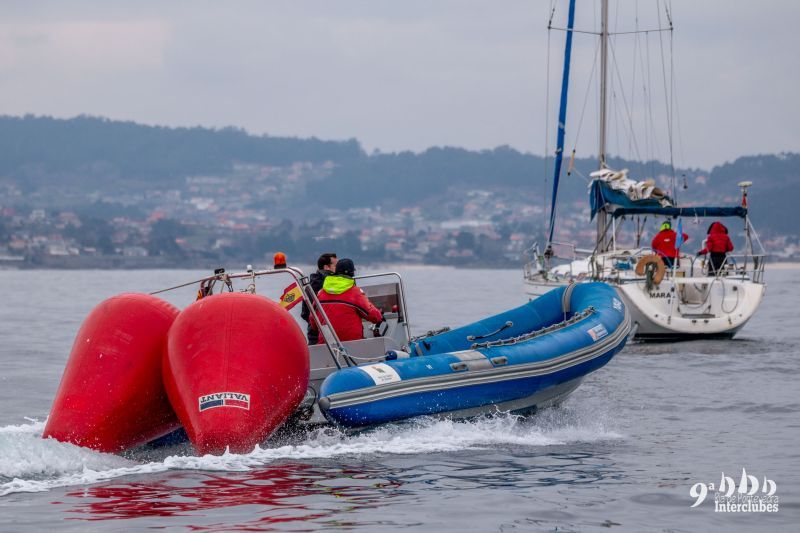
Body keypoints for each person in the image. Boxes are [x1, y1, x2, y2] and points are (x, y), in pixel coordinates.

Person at [311, 258, 383, 343]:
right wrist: (379, 314)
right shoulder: (355, 292)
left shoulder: (321, 293)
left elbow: (313, 323)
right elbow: (374, 316)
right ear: (352, 273)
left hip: (327, 347)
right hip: (353, 345)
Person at [301, 253, 338, 344]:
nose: (338, 268)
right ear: (326, 267)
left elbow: (304, 313)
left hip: (313, 335)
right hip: (330, 336)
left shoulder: (309, 286)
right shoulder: (332, 286)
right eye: (336, 265)